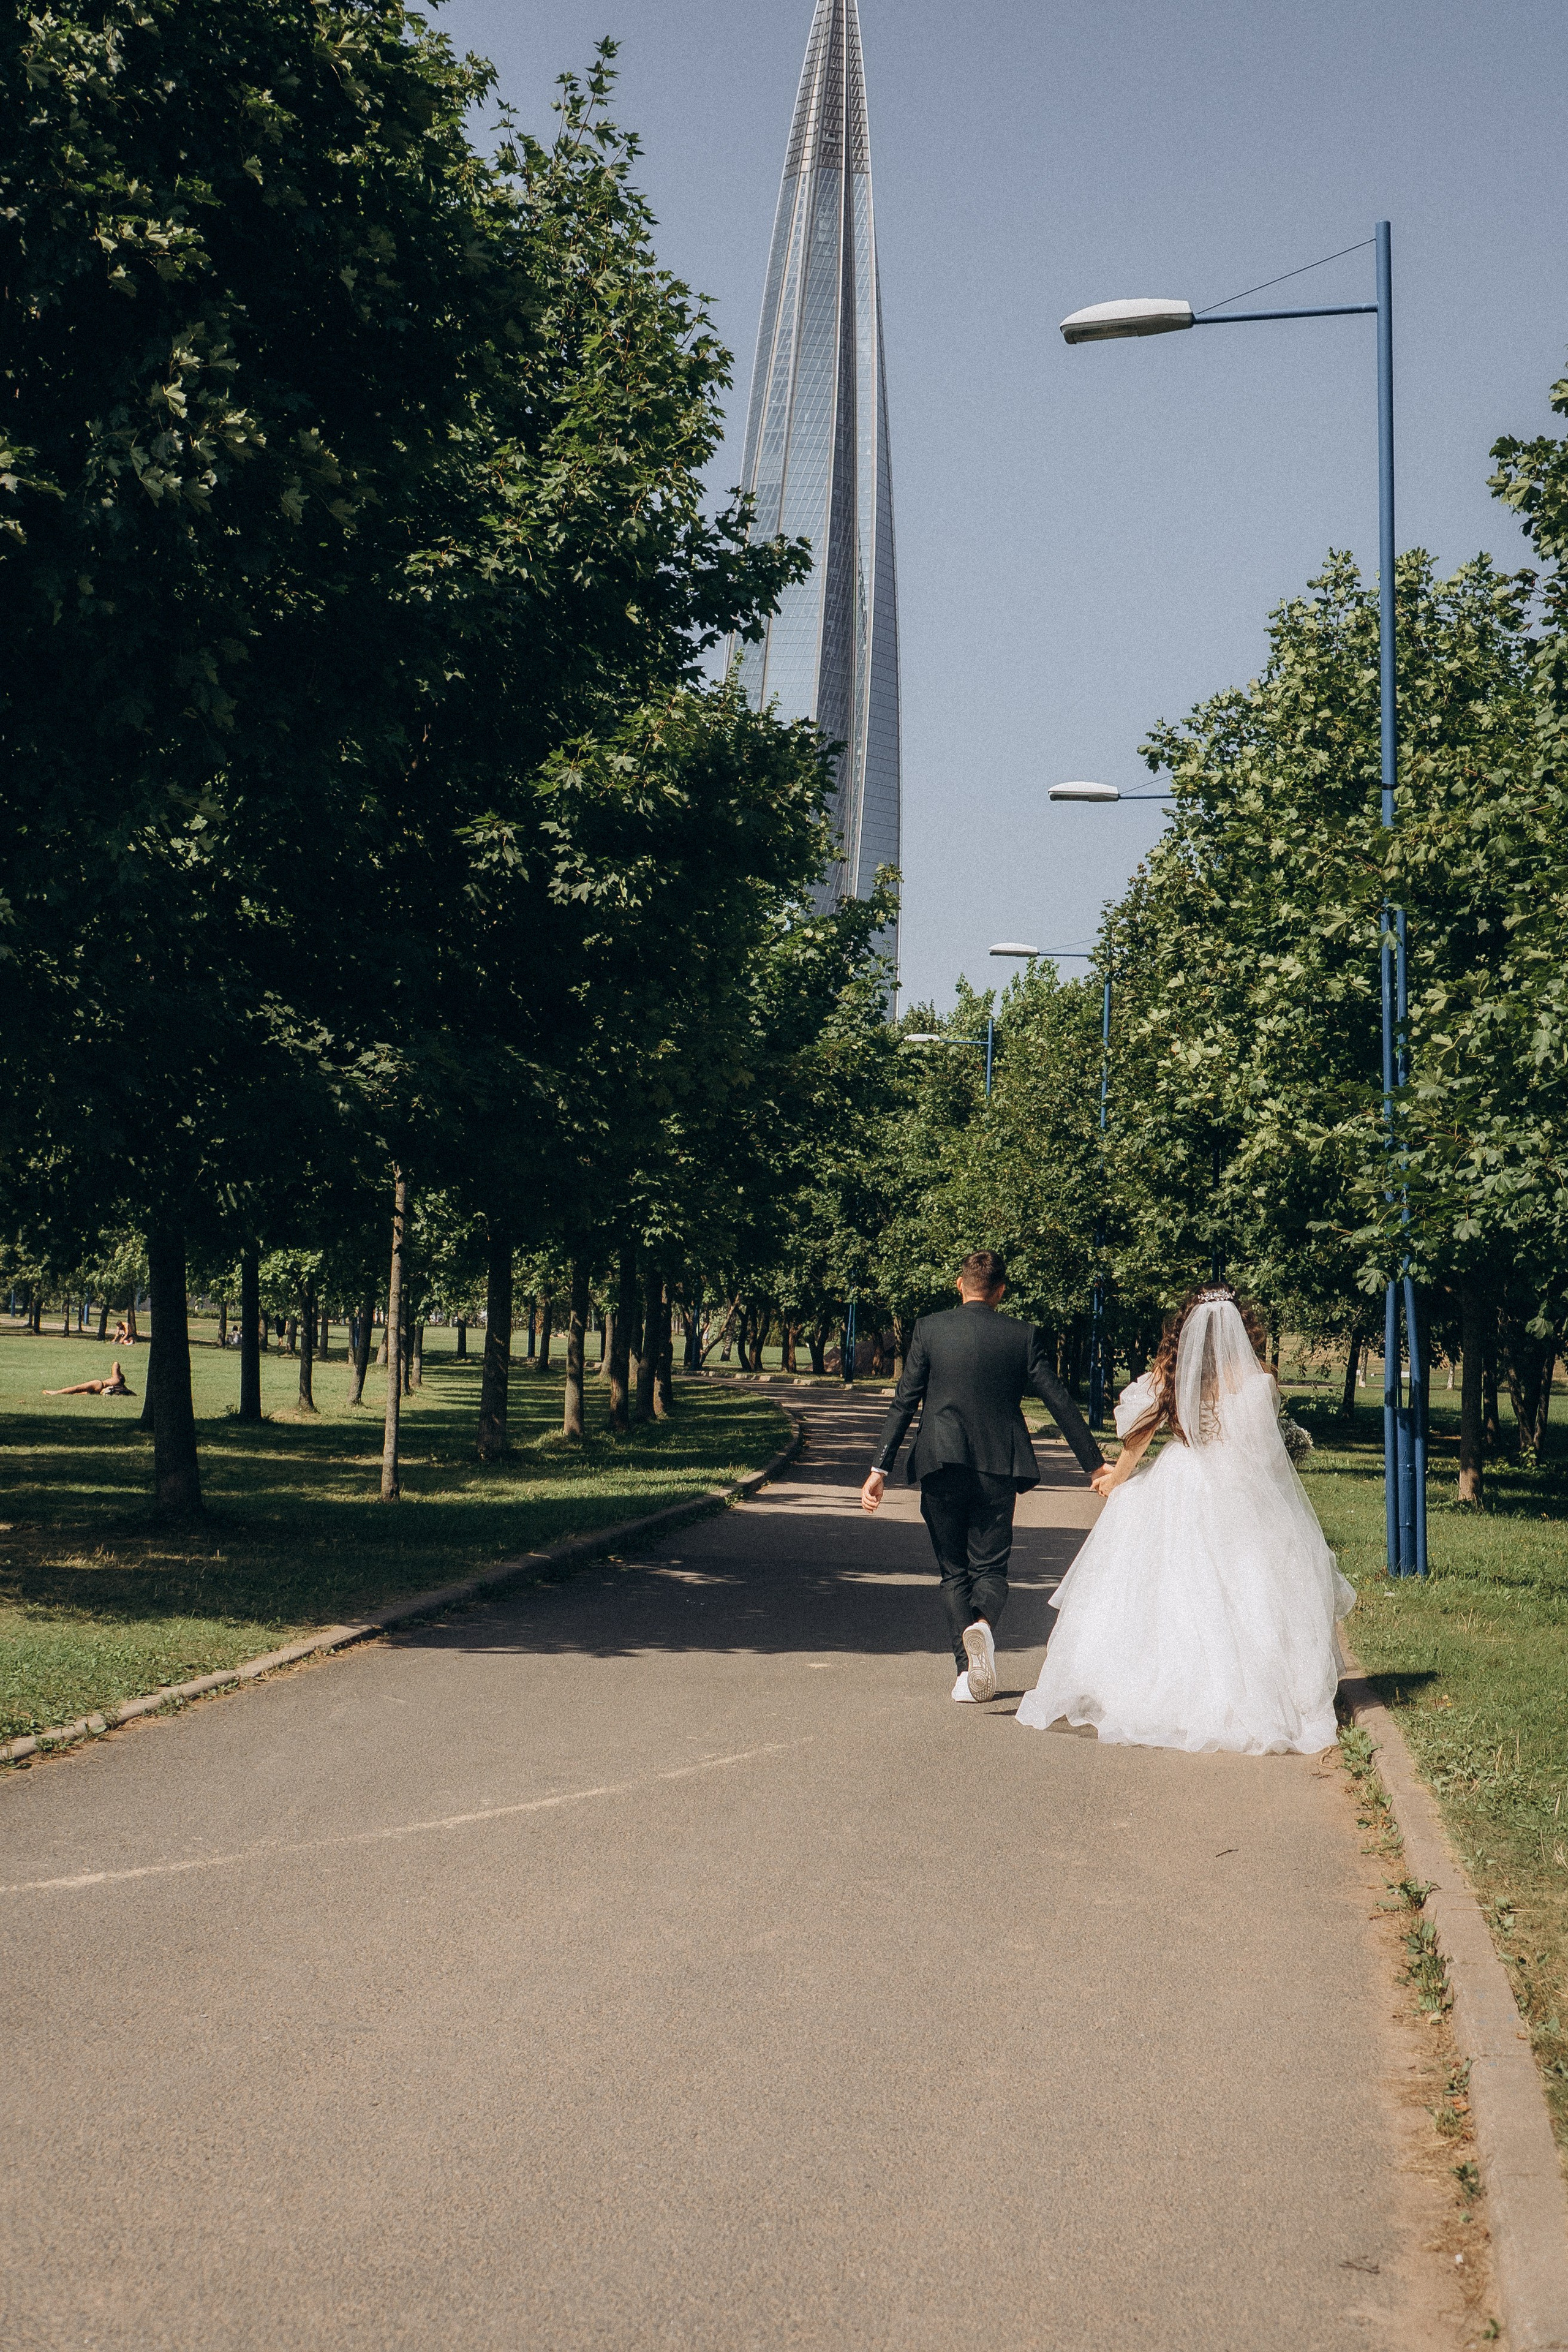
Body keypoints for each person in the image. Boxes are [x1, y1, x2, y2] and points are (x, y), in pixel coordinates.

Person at [1017, 1286, 1355, 1754]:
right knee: (1247, 1585)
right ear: (1242, 1328)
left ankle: (1160, 1682)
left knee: (1175, 1583)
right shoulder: (1258, 1380)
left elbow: (1138, 1437)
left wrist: (1116, 1480)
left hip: (1183, 1476)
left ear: (1187, 1329)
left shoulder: (1171, 1375)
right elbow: (1265, 1454)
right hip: (1238, 1484)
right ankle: (1258, 1692)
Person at [861, 1251, 1104, 1702]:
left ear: (960, 1284)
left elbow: (905, 1399)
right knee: (990, 1567)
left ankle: (964, 1672)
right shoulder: (1023, 1335)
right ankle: (984, 1627)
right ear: (1001, 1291)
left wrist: (880, 1468)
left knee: (953, 1571)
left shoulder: (930, 1329)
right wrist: (1094, 1463)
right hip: (999, 1466)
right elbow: (1058, 1399)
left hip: (940, 1462)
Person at [44, 1362, 134, 1398]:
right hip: (99, 1391)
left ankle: (56, 1392)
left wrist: (119, 1372)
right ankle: (59, 1394)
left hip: (99, 1384)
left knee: (77, 1388)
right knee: (77, 1393)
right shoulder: (120, 1385)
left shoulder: (116, 1378)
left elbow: (116, 1364)